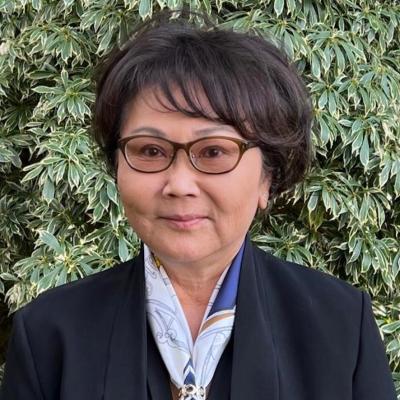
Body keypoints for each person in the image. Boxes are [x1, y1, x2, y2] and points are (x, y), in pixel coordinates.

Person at [0, 9, 396, 400]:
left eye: (213, 152)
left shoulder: (340, 327)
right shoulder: (50, 336)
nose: (179, 184)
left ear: (267, 178)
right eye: (151, 150)